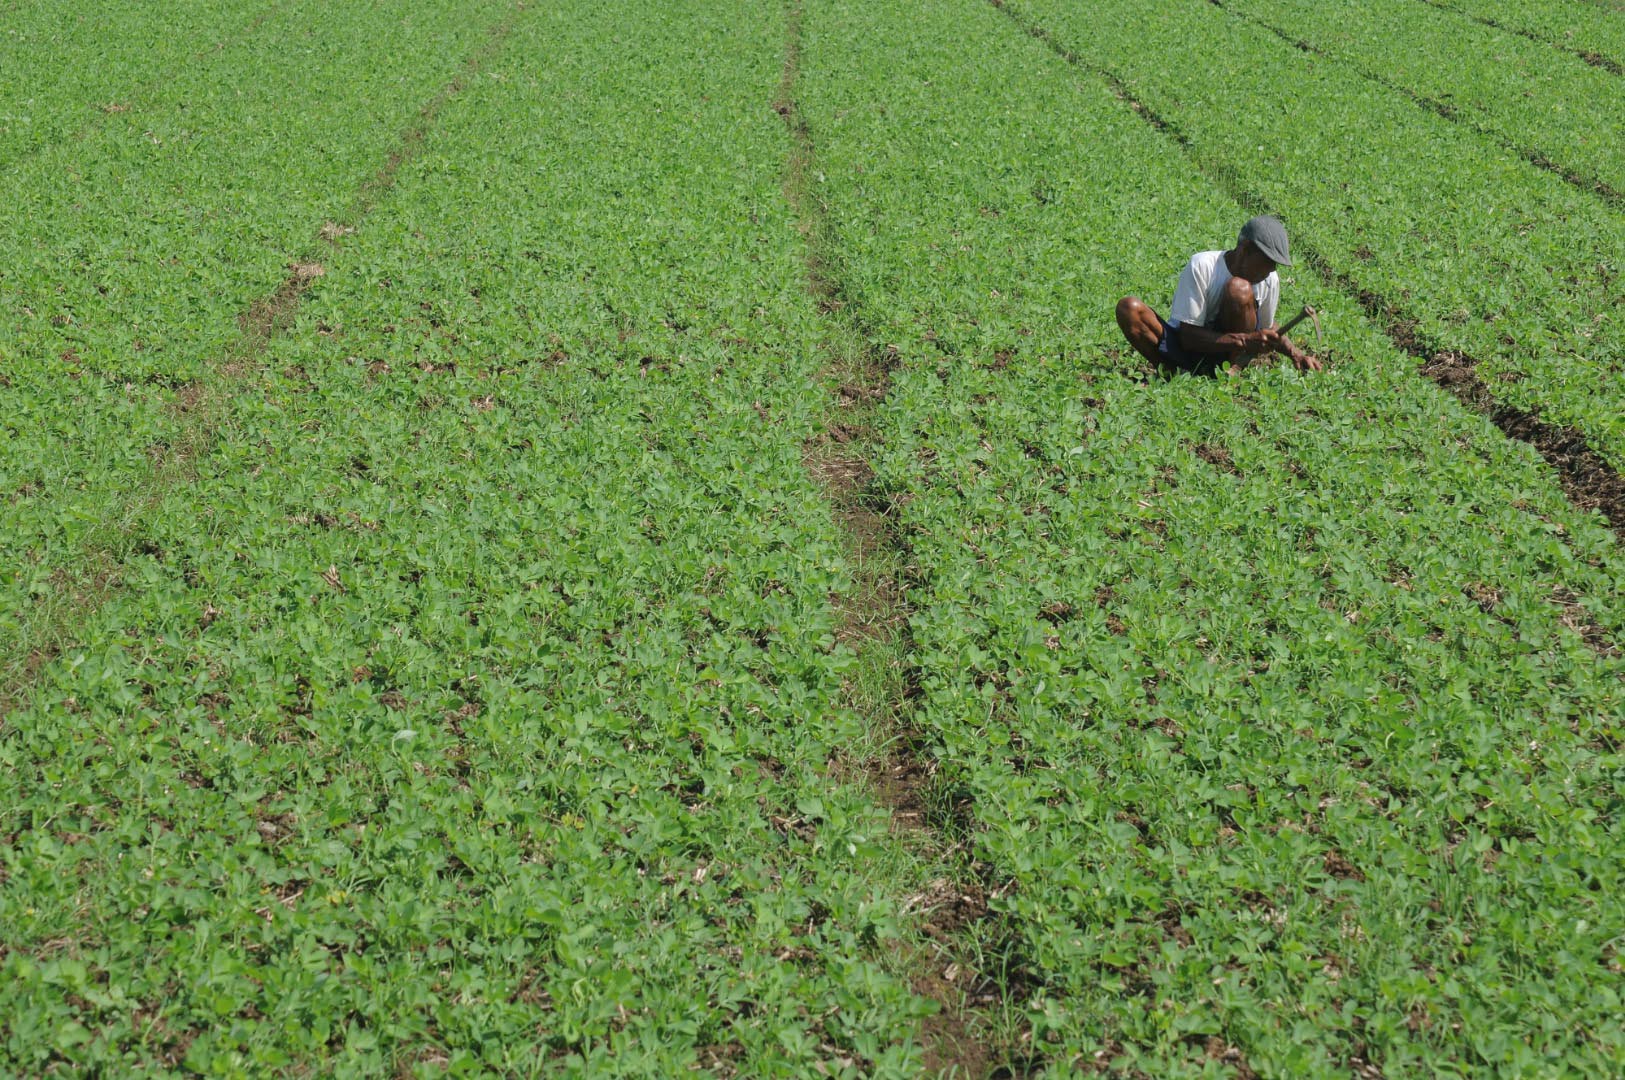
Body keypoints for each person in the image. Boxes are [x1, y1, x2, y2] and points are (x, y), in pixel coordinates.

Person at [1115, 215, 1323, 376]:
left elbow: (1268, 330)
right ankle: (1173, 372)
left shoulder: (1270, 279)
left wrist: (1296, 354)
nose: (1271, 269)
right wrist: (1244, 340)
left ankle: (1232, 372)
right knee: (1129, 308)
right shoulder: (1203, 266)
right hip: (1187, 348)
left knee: (1239, 289)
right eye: (1268, 260)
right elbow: (1187, 338)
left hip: (1228, 357)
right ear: (1245, 249)